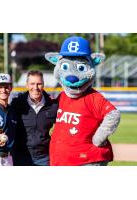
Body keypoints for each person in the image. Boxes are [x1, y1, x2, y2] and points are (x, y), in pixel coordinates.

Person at [45, 36, 121, 166]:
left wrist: (98, 138)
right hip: (62, 159)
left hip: (88, 159)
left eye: (81, 68)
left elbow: (113, 115)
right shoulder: (62, 97)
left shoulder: (94, 98)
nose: (72, 78)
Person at [11, 70, 58, 166]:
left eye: (39, 84)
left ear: (43, 84)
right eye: (32, 84)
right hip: (20, 156)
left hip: (43, 158)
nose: (35, 87)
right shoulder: (17, 103)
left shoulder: (53, 105)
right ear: (27, 85)